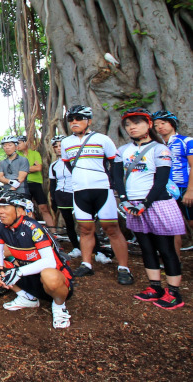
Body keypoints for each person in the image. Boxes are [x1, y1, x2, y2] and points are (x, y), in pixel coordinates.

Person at [113, 108, 186, 309]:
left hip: (157, 203)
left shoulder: (160, 149)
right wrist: (125, 200)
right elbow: (117, 177)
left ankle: (174, 292)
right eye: (128, 124)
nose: (132, 127)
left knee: (165, 248)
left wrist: (146, 203)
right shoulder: (123, 150)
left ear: (149, 125)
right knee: (146, 247)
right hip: (133, 205)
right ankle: (155, 287)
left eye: (137, 123)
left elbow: (161, 180)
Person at [60, 105, 132, 284]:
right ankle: (87, 264)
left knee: (112, 228)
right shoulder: (66, 142)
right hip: (79, 190)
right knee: (85, 229)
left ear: (89, 121)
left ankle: (124, 268)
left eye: (79, 118)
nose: (74, 122)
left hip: (101, 189)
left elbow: (114, 163)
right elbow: (69, 165)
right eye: (71, 119)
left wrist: (115, 185)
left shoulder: (102, 139)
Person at [0, 191, 73, 329]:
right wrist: (0, 269)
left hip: (53, 279)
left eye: (5, 207)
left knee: (49, 274)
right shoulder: (0, 227)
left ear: (20, 210)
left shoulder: (33, 228)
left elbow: (50, 262)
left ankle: (59, 307)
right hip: (28, 274)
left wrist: (18, 272)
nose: (0, 211)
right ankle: (27, 297)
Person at [152, 110, 193, 253]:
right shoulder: (155, 145)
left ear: (172, 124)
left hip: (184, 187)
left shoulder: (186, 141)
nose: (159, 127)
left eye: (163, 123)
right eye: (156, 125)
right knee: (172, 226)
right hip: (165, 189)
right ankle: (175, 261)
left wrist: (190, 190)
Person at [48, 135, 81, 258]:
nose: (58, 148)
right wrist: (53, 199)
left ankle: (97, 249)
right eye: (55, 146)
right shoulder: (54, 165)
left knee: (85, 222)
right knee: (69, 223)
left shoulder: (76, 161)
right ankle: (76, 247)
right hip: (61, 194)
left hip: (77, 193)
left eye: (60, 145)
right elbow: (52, 183)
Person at [17, 135, 55, 227]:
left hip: (36, 184)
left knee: (43, 207)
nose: (17, 145)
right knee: (27, 209)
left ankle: (54, 231)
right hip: (23, 185)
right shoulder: (16, 156)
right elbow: (17, 170)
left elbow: (38, 167)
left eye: (19, 143)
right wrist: (31, 167)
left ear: (25, 142)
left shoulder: (35, 153)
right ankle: (34, 229)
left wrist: (24, 169)